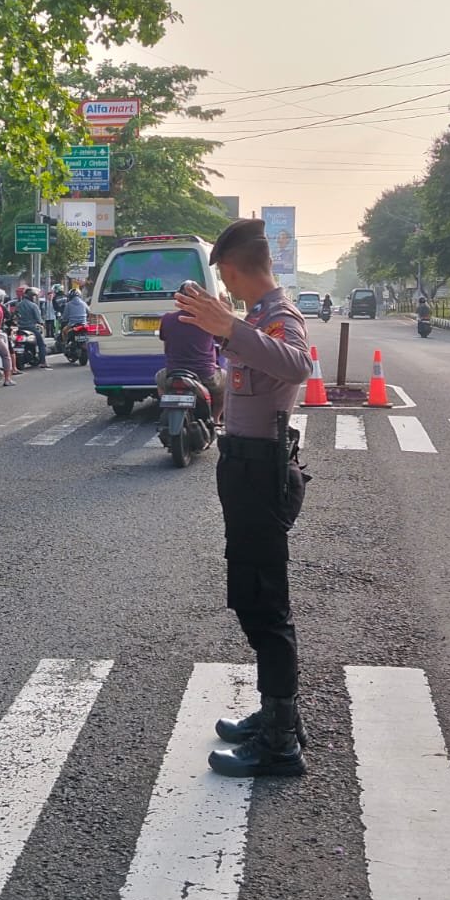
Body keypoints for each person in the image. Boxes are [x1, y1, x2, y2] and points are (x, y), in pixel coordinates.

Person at [175, 219, 310, 778]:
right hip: (242, 468)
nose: (222, 289)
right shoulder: (255, 320)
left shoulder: (278, 317)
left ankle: (281, 745)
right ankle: (278, 715)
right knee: (250, 595)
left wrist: (229, 328)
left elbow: (298, 364)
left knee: (264, 601)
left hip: (262, 474)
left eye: (222, 277)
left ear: (231, 270)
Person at [157, 283, 227, 420]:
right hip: (206, 375)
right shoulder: (209, 319)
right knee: (226, 383)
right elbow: (223, 341)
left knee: (159, 378)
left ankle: (167, 408)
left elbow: (166, 347)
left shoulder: (167, 319)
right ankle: (216, 418)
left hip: (174, 372)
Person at [16, 286, 50, 368]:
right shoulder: (33, 306)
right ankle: (43, 362)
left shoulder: (19, 305)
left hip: (20, 328)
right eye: (34, 296)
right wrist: (42, 323)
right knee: (41, 344)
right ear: (31, 296)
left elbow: (16, 316)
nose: (35, 298)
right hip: (31, 328)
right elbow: (39, 319)